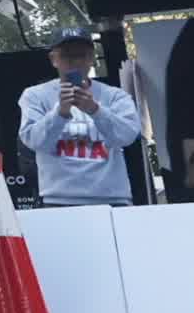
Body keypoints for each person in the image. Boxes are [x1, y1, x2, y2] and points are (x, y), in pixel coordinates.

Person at [18, 28, 144, 209]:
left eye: (82, 55)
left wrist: (95, 110)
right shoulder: (35, 96)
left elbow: (127, 136)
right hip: (58, 200)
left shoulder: (115, 96)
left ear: (92, 58)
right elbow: (33, 140)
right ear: (54, 59)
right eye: (67, 56)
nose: (75, 62)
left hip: (113, 199)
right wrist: (59, 113)